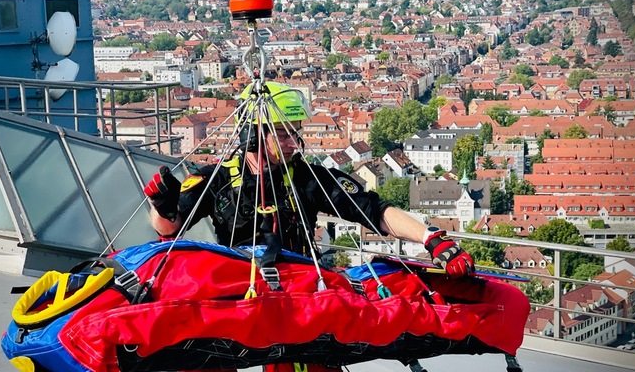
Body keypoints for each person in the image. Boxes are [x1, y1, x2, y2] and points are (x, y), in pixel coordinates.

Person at [143, 82, 475, 372]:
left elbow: (374, 210)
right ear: (252, 134)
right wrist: (161, 205)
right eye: (283, 133)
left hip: (297, 299)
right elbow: (170, 229)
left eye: (295, 131)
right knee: (203, 361)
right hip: (239, 300)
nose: (293, 142)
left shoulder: (307, 178)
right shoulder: (214, 180)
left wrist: (431, 238)